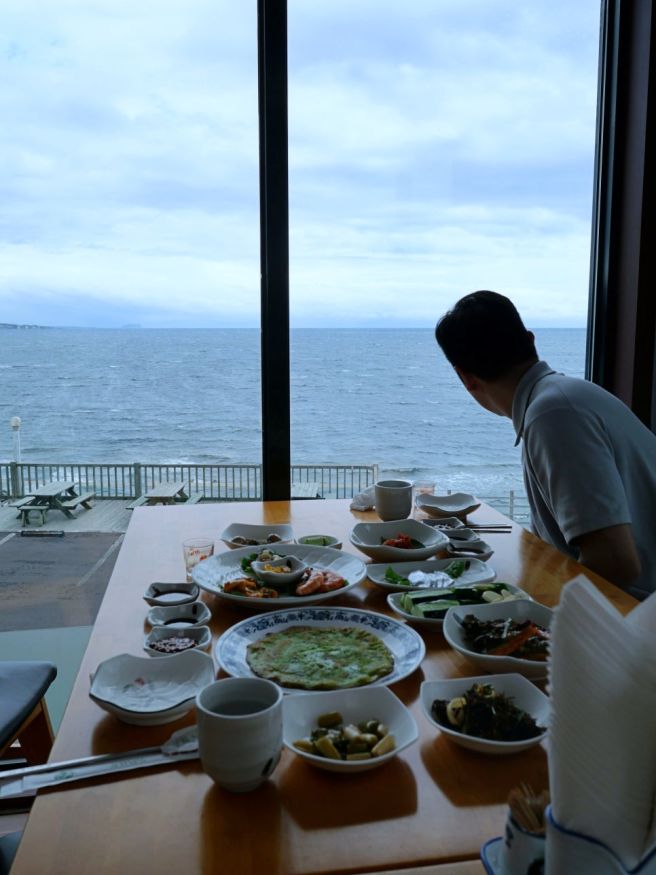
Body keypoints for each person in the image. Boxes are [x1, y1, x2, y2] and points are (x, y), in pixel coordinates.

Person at [435, 290, 656, 600]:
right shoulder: (568, 397)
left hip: (638, 617)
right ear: (530, 340)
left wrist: (525, 615)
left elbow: (616, 563)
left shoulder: (553, 415)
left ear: (465, 378)